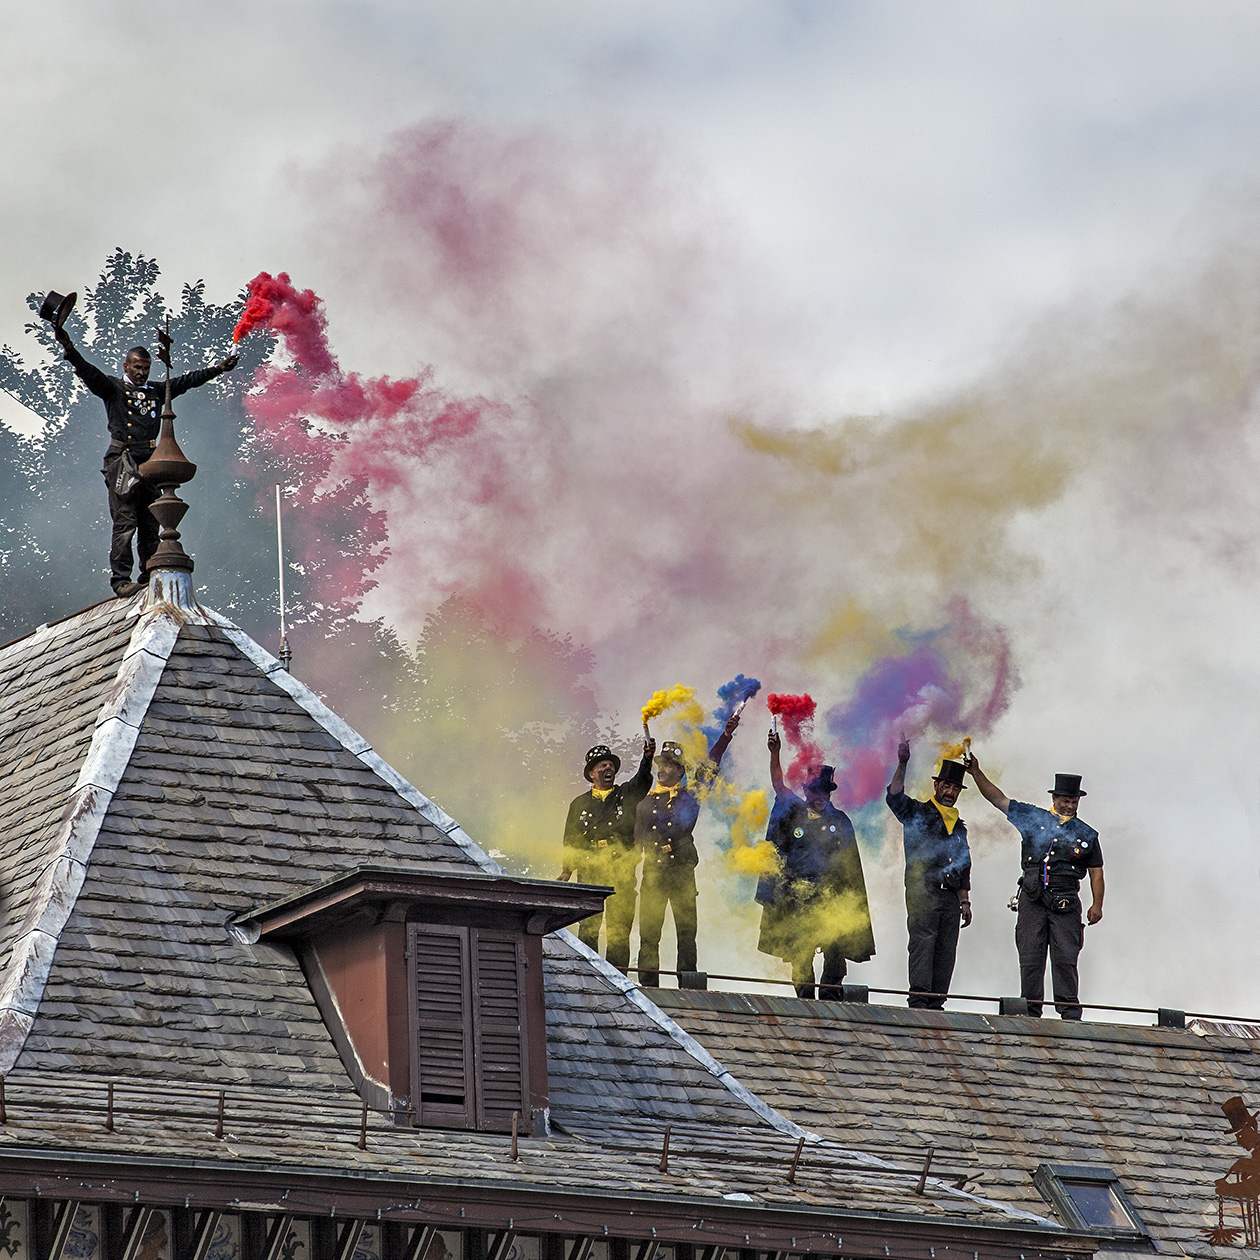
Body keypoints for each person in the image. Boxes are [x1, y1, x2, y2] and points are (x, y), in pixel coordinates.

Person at [53, 323, 237, 597]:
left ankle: (147, 575)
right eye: (136, 367)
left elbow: (185, 381)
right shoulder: (113, 388)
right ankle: (121, 581)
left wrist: (218, 369)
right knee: (125, 522)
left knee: (151, 522)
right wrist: (69, 349)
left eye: (145, 369)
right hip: (123, 461)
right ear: (125, 366)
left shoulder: (156, 391)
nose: (141, 373)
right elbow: (89, 373)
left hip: (151, 462)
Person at [967, 759, 1104, 1019]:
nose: (1070, 805)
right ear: (1054, 798)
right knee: (1030, 957)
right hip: (1033, 899)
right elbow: (999, 799)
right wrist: (976, 772)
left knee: (1066, 959)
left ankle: (1069, 1014)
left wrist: (1097, 904)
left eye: (1074, 801)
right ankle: (1030, 1013)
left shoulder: (1087, 835)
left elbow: (1097, 871)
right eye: (1065, 800)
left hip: (1066, 904)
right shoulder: (1033, 818)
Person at [756, 729, 875, 999]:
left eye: (824, 791)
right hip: (800, 896)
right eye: (814, 790)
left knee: (835, 956)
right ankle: (805, 1001)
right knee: (801, 955)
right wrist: (775, 753)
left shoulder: (841, 821)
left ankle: (831, 1001)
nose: (819, 796)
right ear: (806, 790)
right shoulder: (794, 812)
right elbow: (778, 785)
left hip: (832, 898)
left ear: (830, 792)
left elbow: (850, 867)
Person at [633, 711, 742, 987]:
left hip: (681, 872)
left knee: (686, 932)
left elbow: (710, 766)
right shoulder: (644, 805)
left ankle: (689, 987)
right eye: (662, 763)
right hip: (653, 875)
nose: (664, 768)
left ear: (681, 771)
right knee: (649, 933)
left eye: (670, 765)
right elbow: (635, 846)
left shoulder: (690, 797)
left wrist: (726, 735)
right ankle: (647, 986)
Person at [886, 741, 972, 1010]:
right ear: (936, 786)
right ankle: (919, 1001)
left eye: (955, 788)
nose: (950, 792)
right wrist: (903, 762)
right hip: (923, 891)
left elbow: (963, 866)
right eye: (946, 786)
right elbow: (894, 797)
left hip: (950, 899)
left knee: (946, 950)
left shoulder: (959, 827)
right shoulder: (917, 812)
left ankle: (937, 1003)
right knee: (923, 944)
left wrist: (965, 900)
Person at [559, 738, 655, 971]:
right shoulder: (578, 804)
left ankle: (618, 978)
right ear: (591, 774)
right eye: (601, 765)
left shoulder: (626, 794)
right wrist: (566, 870)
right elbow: (571, 840)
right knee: (588, 928)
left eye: (610, 764)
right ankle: (588, 975)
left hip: (620, 869)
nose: (607, 768)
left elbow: (642, 781)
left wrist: (647, 758)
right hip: (591, 870)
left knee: (619, 929)